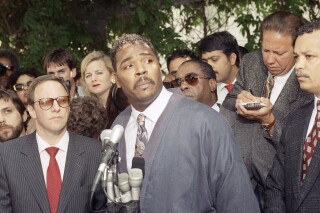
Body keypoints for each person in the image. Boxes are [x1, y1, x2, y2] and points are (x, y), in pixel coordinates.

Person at [109, 33, 259, 212]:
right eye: (128, 65)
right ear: (116, 79)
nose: (141, 70)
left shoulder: (205, 122)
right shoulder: (119, 127)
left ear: (159, 67)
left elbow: (237, 202)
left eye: (148, 61)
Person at [220, 11, 313, 207]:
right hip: (240, 175)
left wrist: (268, 120)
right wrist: (239, 101)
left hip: (279, 185)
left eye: (279, 53)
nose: (270, 60)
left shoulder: (308, 82)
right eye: (265, 50)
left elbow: (299, 145)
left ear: (297, 49)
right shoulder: (252, 63)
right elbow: (229, 103)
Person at [0, 75, 103, 212]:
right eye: (46, 102)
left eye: (62, 100)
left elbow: (102, 207)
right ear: (31, 111)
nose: (56, 107)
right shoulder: (7, 155)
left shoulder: (95, 151)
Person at [264, 20, 320, 213]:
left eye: (309, 56)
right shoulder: (295, 118)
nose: (298, 65)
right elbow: (275, 186)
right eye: (297, 57)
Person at [80, 50, 127, 128]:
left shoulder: (125, 104)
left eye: (99, 73)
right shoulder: (87, 111)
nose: (93, 79)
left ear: (112, 76)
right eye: (88, 75)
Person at [198, 31, 240, 105]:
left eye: (214, 59)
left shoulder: (255, 83)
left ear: (232, 59)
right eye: (205, 61)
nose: (209, 66)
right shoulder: (205, 92)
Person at [8, 68, 40, 134]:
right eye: (19, 87)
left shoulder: (48, 109)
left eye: (30, 84)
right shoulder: (11, 115)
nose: (25, 88)